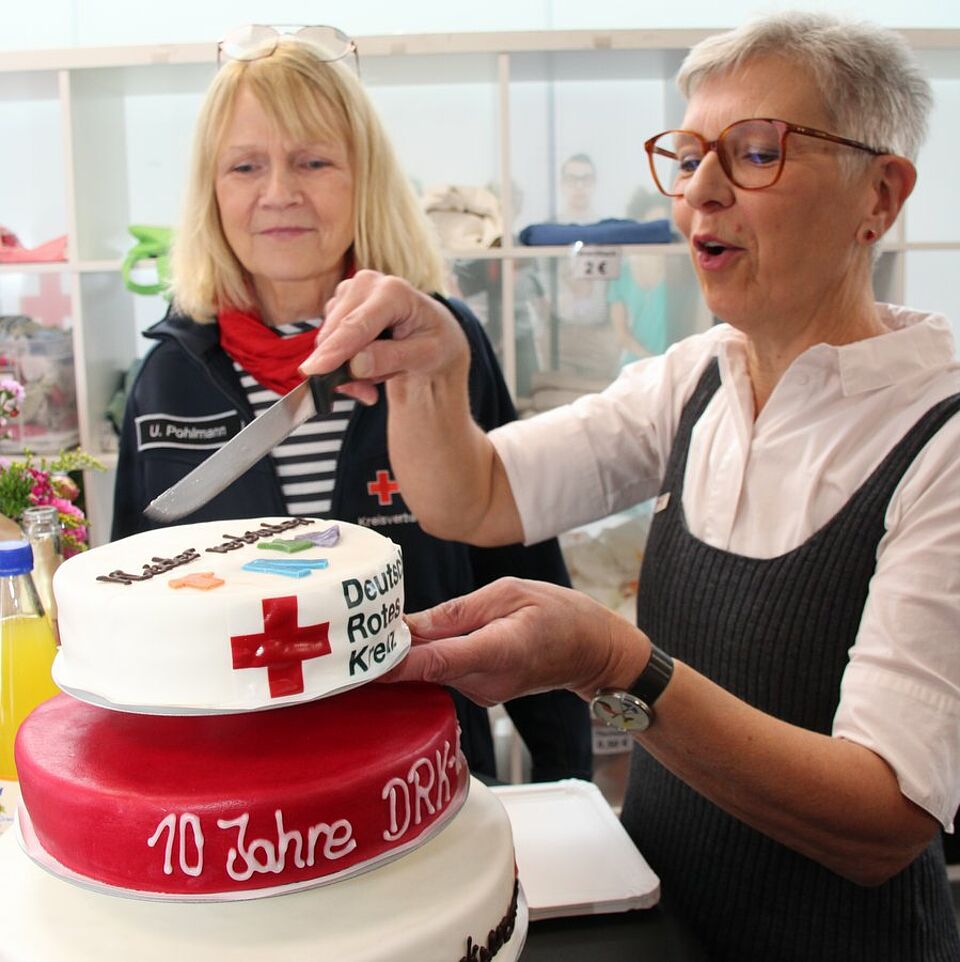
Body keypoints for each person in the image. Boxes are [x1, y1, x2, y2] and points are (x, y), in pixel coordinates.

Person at [301, 12, 960, 961]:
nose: (700, 192)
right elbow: (475, 495)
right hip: (665, 923)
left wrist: (616, 664)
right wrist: (433, 367)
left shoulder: (937, 438)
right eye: (688, 156)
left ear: (881, 195)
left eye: (758, 152)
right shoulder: (696, 380)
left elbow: (882, 820)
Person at [110, 25, 591, 786]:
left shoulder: (437, 343)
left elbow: (523, 573)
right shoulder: (166, 374)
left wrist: (569, 783)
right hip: (240, 789)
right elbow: (133, 610)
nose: (279, 193)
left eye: (313, 160)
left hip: (434, 776)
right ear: (212, 189)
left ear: (362, 176)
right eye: (245, 165)